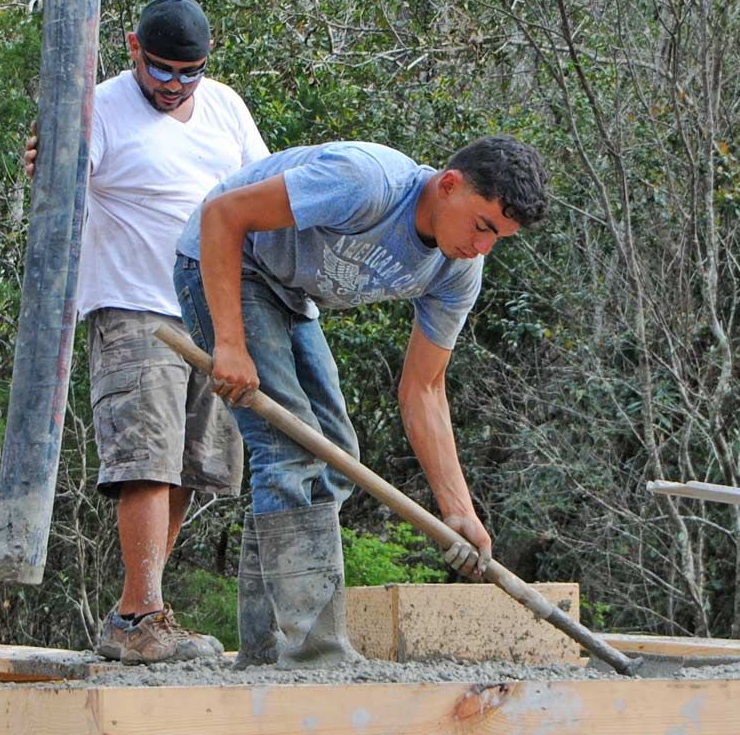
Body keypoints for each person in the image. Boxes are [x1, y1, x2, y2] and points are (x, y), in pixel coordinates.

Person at [172, 135, 549, 667]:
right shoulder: (364, 182)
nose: (482, 246)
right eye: (483, 225)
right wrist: (229, 341)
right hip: (230, 264)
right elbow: (221, 215)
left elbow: (424, 388)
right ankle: (312, 651)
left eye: (499, 238)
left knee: (336, 455)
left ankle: (265, 649)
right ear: (448, 185)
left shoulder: (458, 269)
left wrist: (458, 510)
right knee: (289, 448)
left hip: (288, 292)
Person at [26, 0, 269, 663]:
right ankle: (141, 615)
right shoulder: (100, 107)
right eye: (161, 69)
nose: (173, 85)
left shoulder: (225, 106)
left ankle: (140, 614)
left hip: (211, 315)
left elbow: (263, 188)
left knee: (191, 464)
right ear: (133, 48)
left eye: (188, 72)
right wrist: (47, 161)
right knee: (146, 458)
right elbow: (59, 183)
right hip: (133, 307)